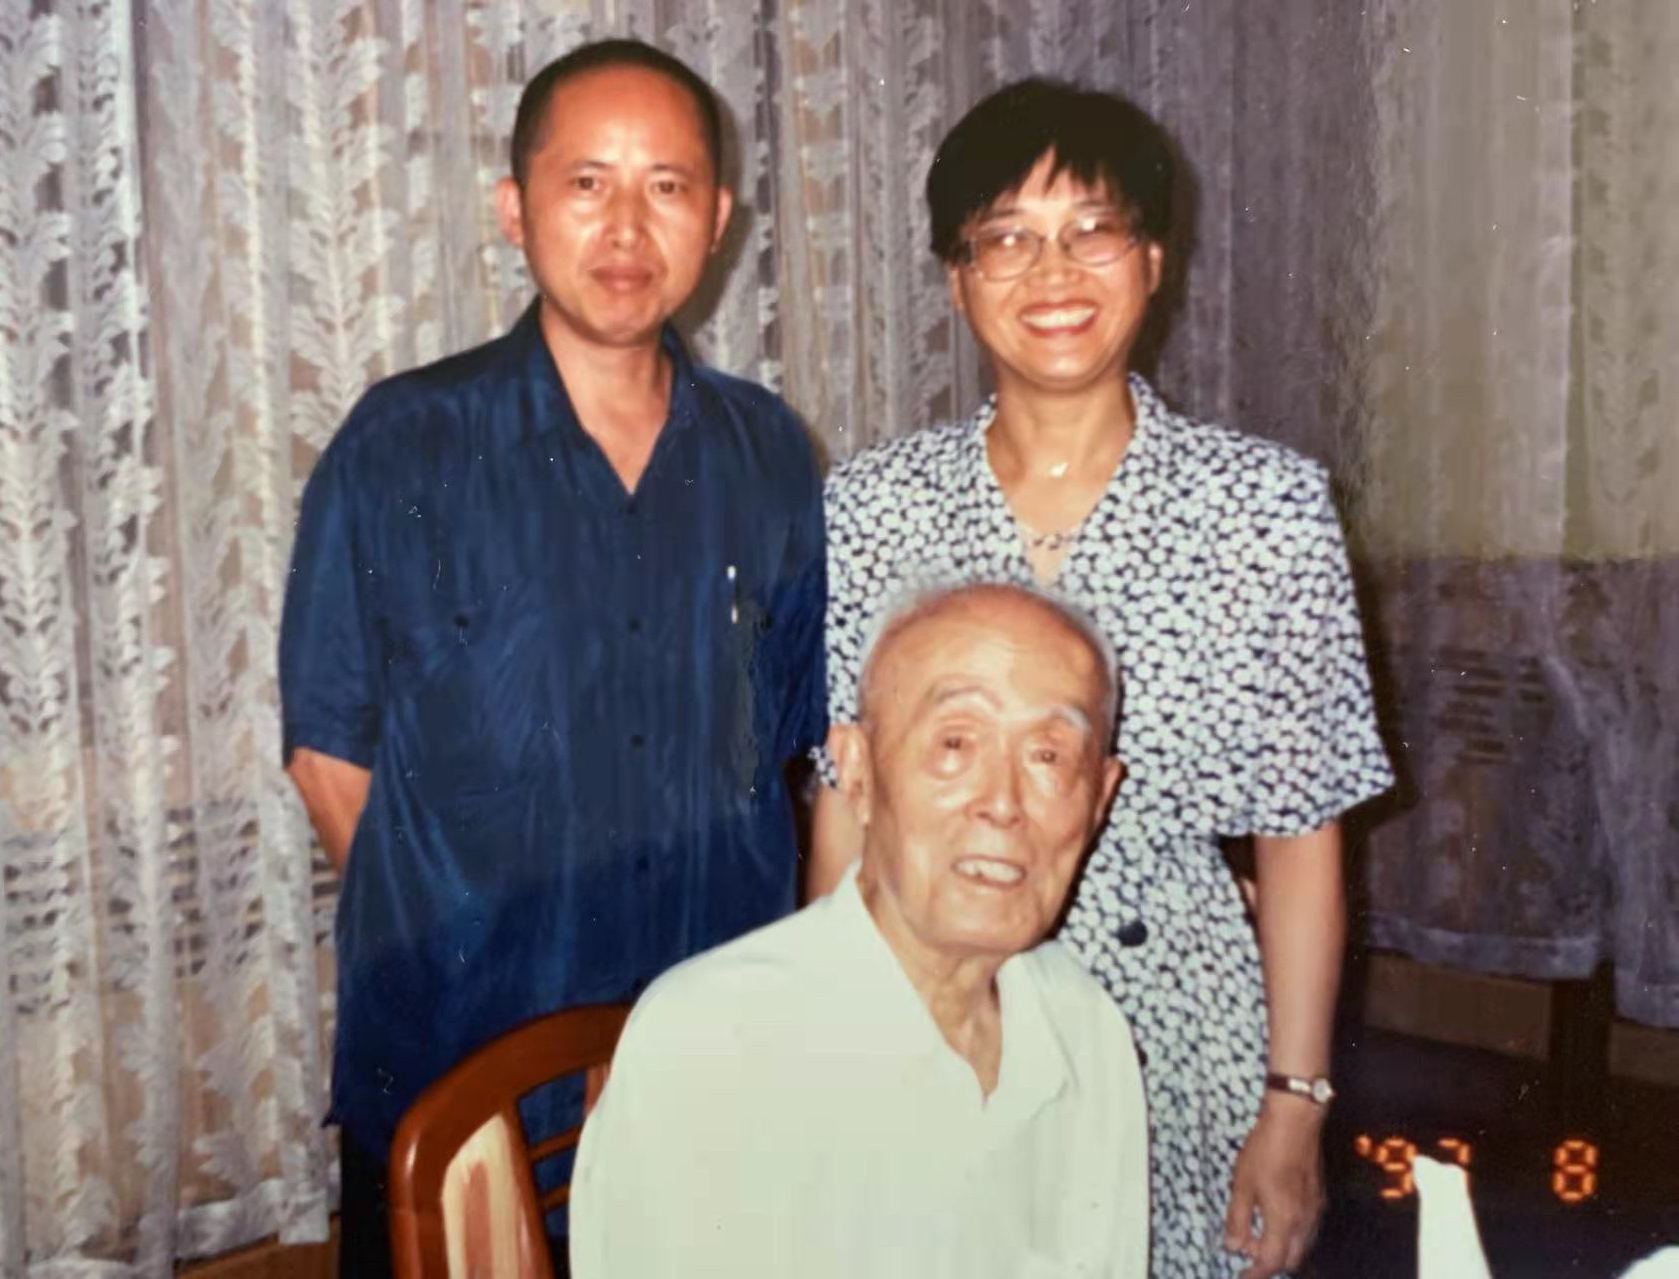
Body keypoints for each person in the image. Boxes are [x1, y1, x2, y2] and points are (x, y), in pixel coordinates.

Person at [810, 79, 1394, 1279]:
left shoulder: (1267, 508)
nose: (1053, 271)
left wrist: (1293, 1105)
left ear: (1154, 259)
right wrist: (830, 1038)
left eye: (1093, 229)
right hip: (928, 1016)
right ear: (956, 278)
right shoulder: (873, 505)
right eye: (1006, 238)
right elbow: (847, 802)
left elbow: (1299, 836)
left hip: (1175, 1039)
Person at [277, 38, 825, 1276]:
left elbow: (792, 750)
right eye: (586, 183)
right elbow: (327, 754)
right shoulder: (403, 443)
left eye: (666, 186)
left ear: (717, 219)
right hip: (463, 1074)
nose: (626, 225)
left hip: (706, 1065)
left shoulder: (767, 453)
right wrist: (473, 957)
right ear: (513, 209)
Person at [570, 582, 1148, 1279]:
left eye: (1049, 756)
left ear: (1101, 799)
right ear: (856, 772)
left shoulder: (1086, 1028)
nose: (1003, 802)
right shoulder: (713, 1045)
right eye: (956, 743)